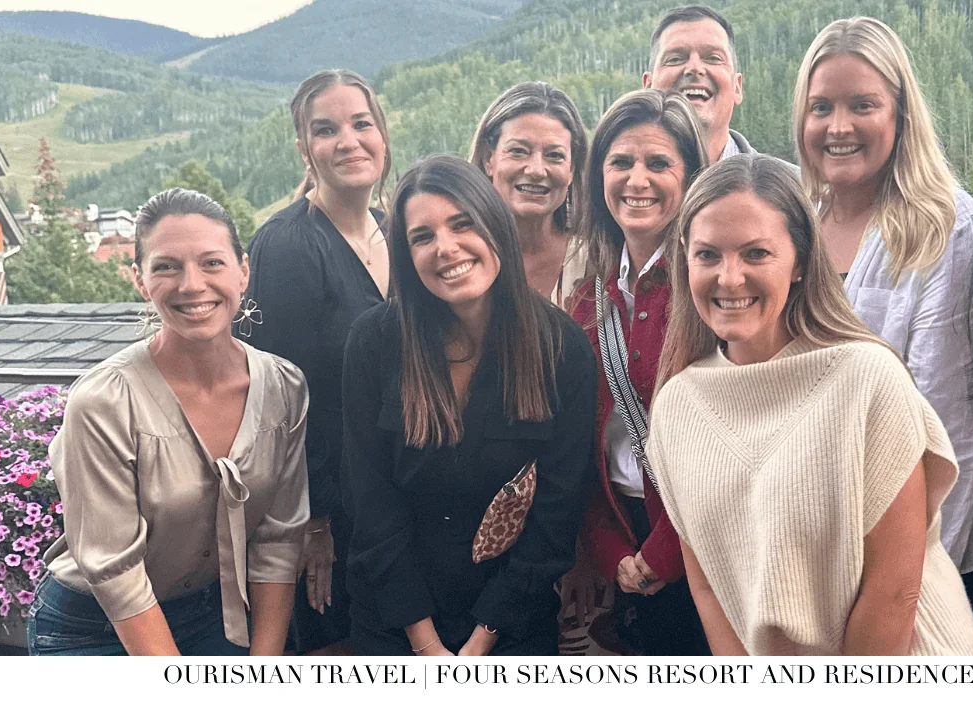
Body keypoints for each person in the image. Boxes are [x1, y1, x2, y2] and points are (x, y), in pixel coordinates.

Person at [647, 154, 973, 656]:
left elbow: (894, 592)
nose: (729, 278)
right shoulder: (675, 408)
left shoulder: (867, 379)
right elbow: (709, 587)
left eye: (756, 253)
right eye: (708, 255)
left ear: (801, 260)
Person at [792, 16, 973, 654]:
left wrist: (917, 600)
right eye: (821, 107)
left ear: (900, 115)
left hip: (955, 574)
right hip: (835, 570)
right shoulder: (794, 223)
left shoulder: (947, 231)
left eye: (862, 105)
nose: (839, 126)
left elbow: (946, 439)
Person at [30, 188, 309, 656]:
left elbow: (278, 540)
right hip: (91, 627)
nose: (192, 285)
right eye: (167, 266)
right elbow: (115, 572)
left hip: (213, 615)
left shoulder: (284, 387)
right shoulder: (104, 402)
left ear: (243, 270)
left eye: (212, 263)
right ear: (140, 280)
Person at [342, 156, 597, 656]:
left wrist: (484, 638)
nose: (446, 248)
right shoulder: (373, 343)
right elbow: (369, 502)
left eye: (463, 224)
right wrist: (426, 644)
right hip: (393, 622)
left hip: (512, 621)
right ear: (405, 254)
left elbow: (557, 512)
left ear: (494, 225)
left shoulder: (561, 348)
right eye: (422, 237)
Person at [242, 69, 391, 655]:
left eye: (361, 123)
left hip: (390, 500)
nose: (348, 141)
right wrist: (315, 519)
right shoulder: (286, 246)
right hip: (327, 514)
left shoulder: (396, 234)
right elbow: (275, 396)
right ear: (305, 148)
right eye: (326, 130)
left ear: (382, 133)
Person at [566, 89, 710, 655]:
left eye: (658, 164)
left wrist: (664, 554)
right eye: (621, 162)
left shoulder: (712, 292)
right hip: (625, 542)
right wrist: (609, 551)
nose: (637, 180)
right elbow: (584, 441)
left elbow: (724, 442)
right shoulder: (587, 299)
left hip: (702, 546)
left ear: (691, 176)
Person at [470, 81, 589, 305]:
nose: (536, 170)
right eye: (518, 151)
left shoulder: (596, 264)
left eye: (554, 155)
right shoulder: (459, 256)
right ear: (489, 159)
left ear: (571, 169)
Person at [642, 6, 753, 163]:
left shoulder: (794, 185)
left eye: (713, 58)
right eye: (675, 59)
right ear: (648, 87)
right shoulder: (611, 184)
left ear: (737, 87)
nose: (694, 68)